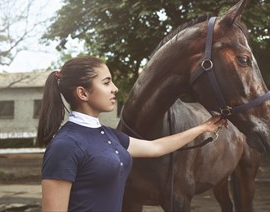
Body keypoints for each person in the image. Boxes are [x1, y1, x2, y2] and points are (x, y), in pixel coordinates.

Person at [37, 55, 226, 212]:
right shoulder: (65, 145)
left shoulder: (109, 135)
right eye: (106, 82)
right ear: (83, 93)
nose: (115, 89)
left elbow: (156, 147)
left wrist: (203, 128)